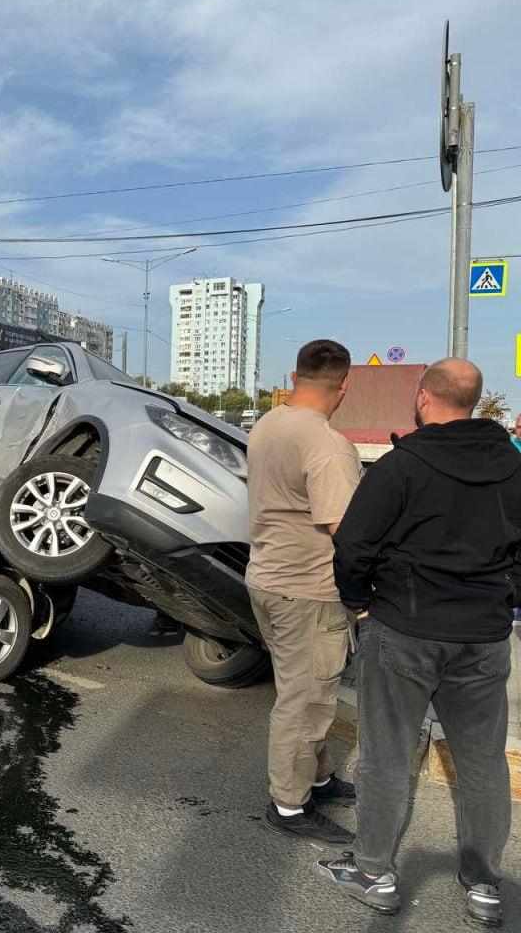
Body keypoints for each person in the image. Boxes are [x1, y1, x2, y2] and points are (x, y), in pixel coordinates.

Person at [320, 358, 516, 926]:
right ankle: (484, 885)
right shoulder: (512, 466)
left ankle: (374, 871)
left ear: (424, 397)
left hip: (403, 628)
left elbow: (354, 546)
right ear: (475, 402)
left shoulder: (402, 465)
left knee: (388, 754)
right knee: (482, 763)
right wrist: (500, 597)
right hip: (482, 636)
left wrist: (359, 601)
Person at [246, 339, 361, 845]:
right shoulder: (328, 444)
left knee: (299, 688)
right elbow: (346, 530)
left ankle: (317, 777)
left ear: (294, 378)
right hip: (308, 588)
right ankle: (289, 806)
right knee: (306, 699)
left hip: (268, 579)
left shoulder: (269, 424)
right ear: (345, 384)